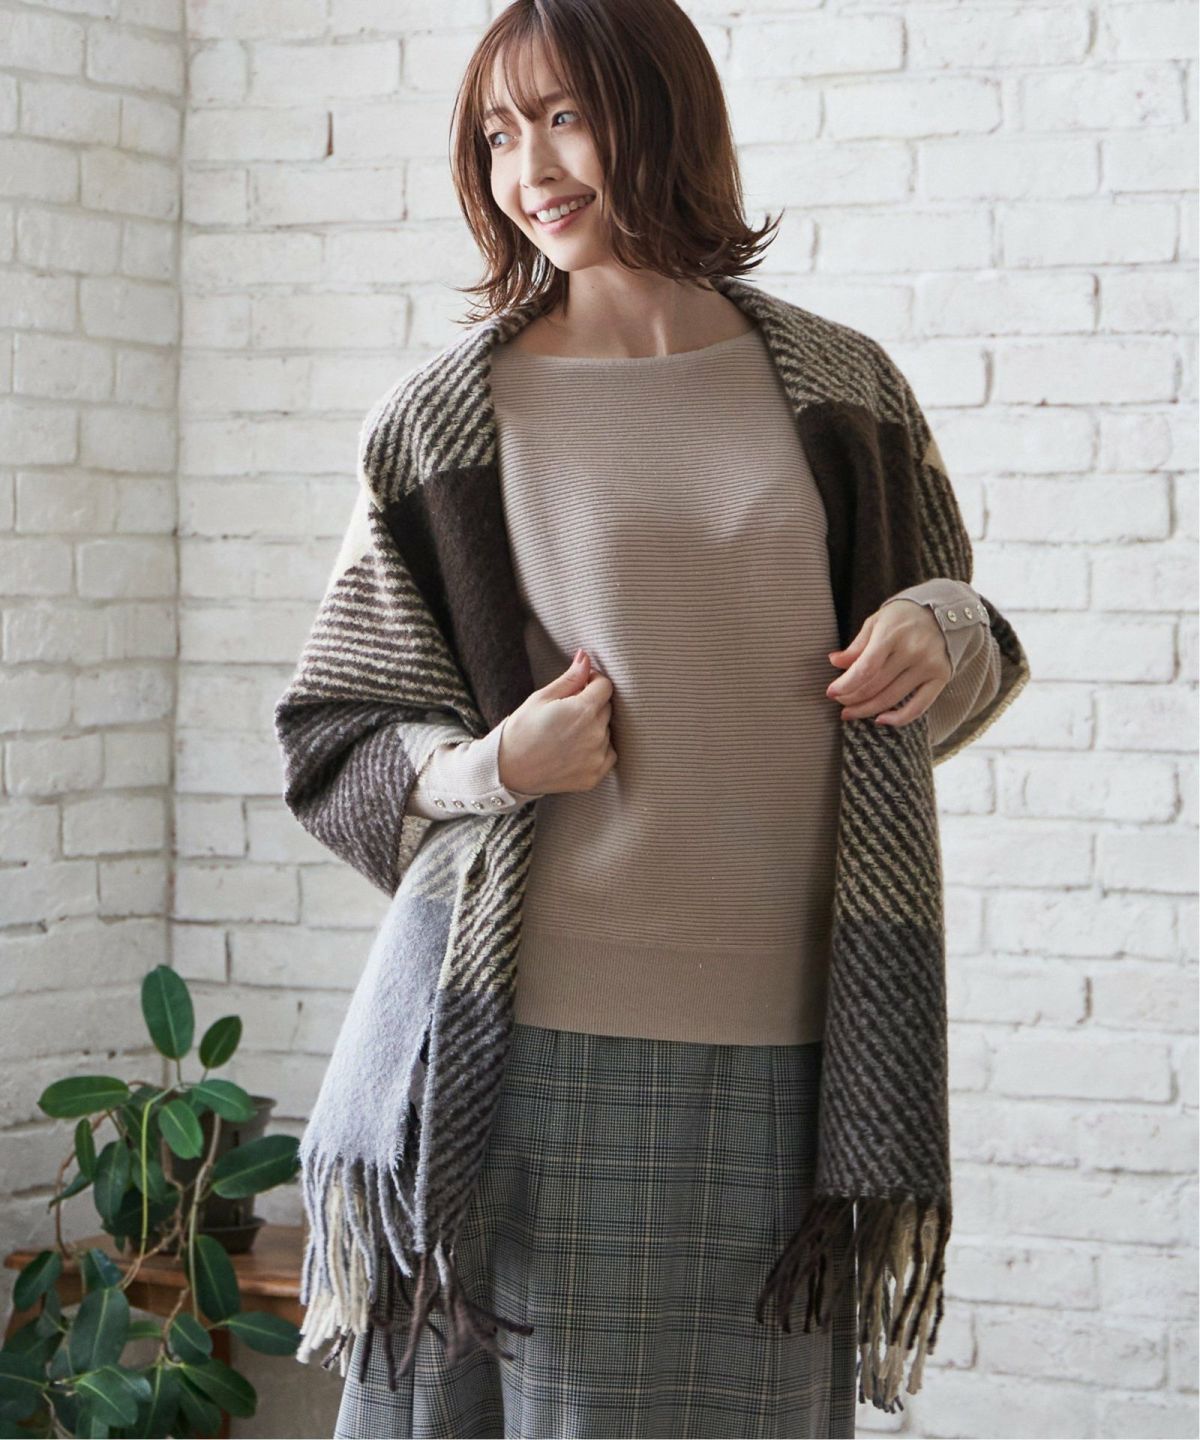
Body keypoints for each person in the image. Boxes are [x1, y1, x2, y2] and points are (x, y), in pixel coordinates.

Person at [280, 2, 1018, 1436]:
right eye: (499, 133)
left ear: (662, 114)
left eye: (564, 117)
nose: (529, 169)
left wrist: (943, 627)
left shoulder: (845, 389)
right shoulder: (449, 419)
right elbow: (336, 735)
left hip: (804, 1049)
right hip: (528, 1043)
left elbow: (950, 673)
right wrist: (496, 765)